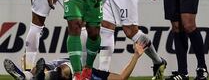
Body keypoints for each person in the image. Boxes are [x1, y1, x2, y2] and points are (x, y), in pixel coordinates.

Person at [24, 0, 89, 72]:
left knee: (35, 27)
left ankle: (27, 70)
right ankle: (84, 70)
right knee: (83, 26)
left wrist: (34, 5)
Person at [3, 43, 147, 80]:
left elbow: (122, 77)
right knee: (44, 69)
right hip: (68, 67)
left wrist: (136, 56)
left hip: (67, 70)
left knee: (38, 72)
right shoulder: (92, 72)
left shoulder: (98, 74)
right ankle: (32, 75)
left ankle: (26, 76)